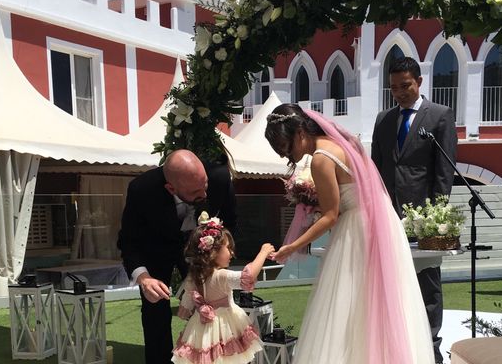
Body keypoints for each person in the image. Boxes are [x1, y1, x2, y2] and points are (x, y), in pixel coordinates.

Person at [266, 103, 434, 364]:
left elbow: (332, 215)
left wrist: (292, 245)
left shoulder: (321, 159)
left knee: (348, 305)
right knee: (382, 301)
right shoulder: (344, 143)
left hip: (355, 232)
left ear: (300, 133)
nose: (285, 156)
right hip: (381, 224)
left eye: (285, 147)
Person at [371, 56, 457, 364]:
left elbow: (444, 173)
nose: (399, 92)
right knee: (390, 280)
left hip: (424, 218)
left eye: (405, 85)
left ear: (419, 82)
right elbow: (376, 170)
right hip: (388, 216)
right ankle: (397, 342)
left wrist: (436, 217)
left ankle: (431, 346)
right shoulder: (383, 120)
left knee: (427, 281)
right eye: (393, 88)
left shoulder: (440, 116)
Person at [117, 149, 237, 364]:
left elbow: (231, 225)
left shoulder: (219, 178)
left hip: (199, 251)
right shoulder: (141, 189)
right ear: (170, 188)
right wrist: (144, 279)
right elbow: (129, 241)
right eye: (195, 192)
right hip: (156, 248)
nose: (204, 195)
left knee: (213, 306)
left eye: (205, 185)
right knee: (155, 311)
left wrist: (216, 260)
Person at [172, 214, 273, 364]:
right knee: (227, 358)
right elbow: (249, 275)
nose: (232, 253)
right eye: (228, 248)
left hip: (200, 328)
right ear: (213, 252)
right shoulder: (221, 276)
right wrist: (263, 252)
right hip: (225, 327)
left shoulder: (194, 276)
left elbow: (186, 306)